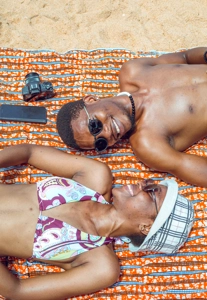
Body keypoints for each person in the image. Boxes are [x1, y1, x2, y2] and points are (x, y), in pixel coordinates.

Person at [0, 144, 193, 300]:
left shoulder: (101, 266)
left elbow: (16, 290)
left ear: (146, 227)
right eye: (150, 182)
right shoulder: (95, 176)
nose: (143, 183)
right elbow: (30, 152)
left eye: (151, 192)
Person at [57, 47, 207, 187]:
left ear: (91, 100)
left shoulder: (132, 71)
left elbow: (184, 57)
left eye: (95, 126)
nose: (107, 134)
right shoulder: (147, 143)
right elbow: (188, 167)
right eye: (101, 143)